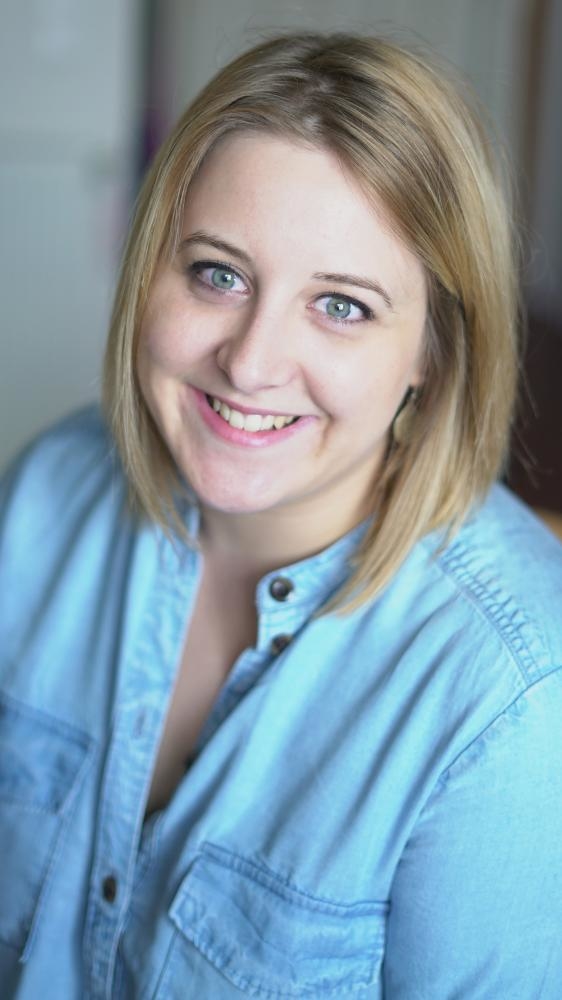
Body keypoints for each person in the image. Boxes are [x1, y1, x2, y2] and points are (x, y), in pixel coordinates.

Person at [1, 31, 561, 999]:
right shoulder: (49, 495)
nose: (251, 363)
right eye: (217, 273)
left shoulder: (512, 702)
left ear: (433, 353)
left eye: (341, 305)